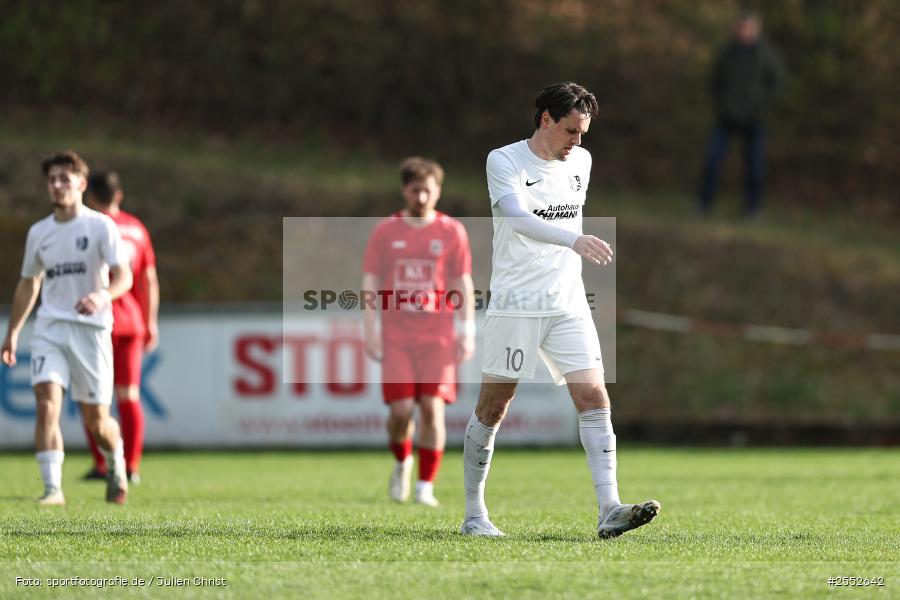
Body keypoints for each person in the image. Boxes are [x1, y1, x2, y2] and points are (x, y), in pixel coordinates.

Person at [459, 82, 660, 538]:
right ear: (545, 120)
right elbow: (516, 218)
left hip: (568, 299)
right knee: (494, 405)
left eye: (583, 133)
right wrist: (575, 239)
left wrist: (573, 246)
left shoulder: (582, 162)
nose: (578, 142)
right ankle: (474, 514)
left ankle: (609, 507)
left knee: (594, 397)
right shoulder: (504, 160)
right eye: (570, 131)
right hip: (517, 301)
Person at [1, 151, 132, 505]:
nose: (57, 186)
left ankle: (115, 460)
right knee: (46, 404)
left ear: (81, 184)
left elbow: (125, 276)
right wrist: (13, 331)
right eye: (52, 180)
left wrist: (103, 295)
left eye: (64, 179)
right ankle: (52, 489)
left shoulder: (100, 226)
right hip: (50, 328)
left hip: (90, 331)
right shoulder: (39, 232)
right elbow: (30, 283)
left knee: (97, 422)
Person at [362, 157, 475, 507]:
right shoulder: (386, 231)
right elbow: (370, 280)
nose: (422, 197)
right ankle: (401, 461)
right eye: (416, 190)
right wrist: (370, 328)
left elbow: (461, 280)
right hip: (397, 333)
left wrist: (466, 327)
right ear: (404, 191)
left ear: (438, 191)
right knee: (400, 411)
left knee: (431, 409)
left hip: (438, 333)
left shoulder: (452, 231)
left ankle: (425, 486)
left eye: (428, 190)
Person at [81, 171, 159, 484]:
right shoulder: (137, 229)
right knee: (129, 395)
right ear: (119, 196)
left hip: (94, 318)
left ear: (90, 196)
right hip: (131, 321)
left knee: (91, 397)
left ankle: (102, 465)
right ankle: (132, 465)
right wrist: (150, 321)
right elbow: (148, 279)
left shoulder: (86, 226)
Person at [698, 10, 783, 216]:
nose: (746, 32)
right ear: (737, 29)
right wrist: (722, 105)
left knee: (755, 167)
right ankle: (704, 205)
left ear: (757, 29)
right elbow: (715, 82)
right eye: (742, 27)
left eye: (750, 28)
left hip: (754, 119)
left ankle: (752, 207)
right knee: (713, 160)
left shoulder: (765, 54)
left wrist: (760, 106)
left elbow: (775, 83)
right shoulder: (728, 53)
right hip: (727, 117)